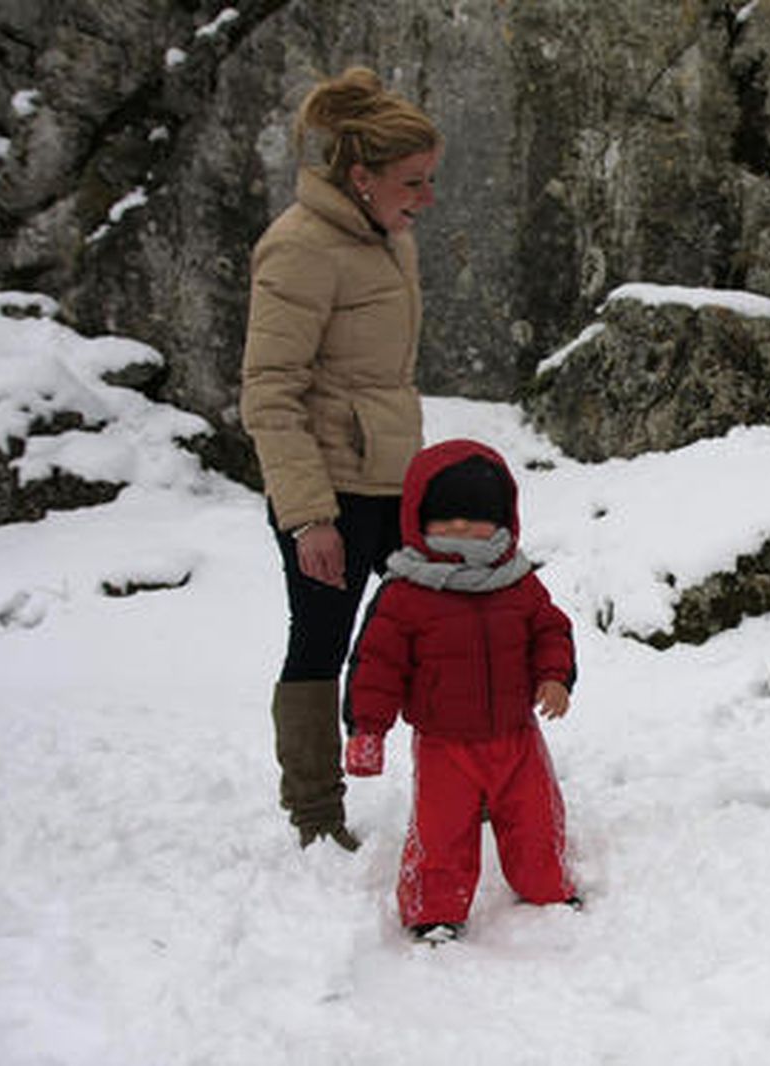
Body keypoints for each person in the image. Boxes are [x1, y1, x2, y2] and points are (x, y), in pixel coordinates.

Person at [239, 67, 443, 850]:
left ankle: (458, 777)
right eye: (412, 182)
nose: (425, 198)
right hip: (327, 491)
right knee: (320, 641)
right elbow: (270, 392)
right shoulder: (298, 249)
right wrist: (308, 518)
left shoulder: (387, 237)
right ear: (360, 178)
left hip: (395, 478)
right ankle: (318, 818)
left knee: (428, 623)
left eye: (430, 180)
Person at [344, 439, 580, 943]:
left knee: (535, 819)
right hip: (443, 745)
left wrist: (555, 676)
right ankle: (433, 910)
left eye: (474, 519)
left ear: (501, 520)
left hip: (517, 737)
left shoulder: (517, 581)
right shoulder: (405, 592)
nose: (459, 530)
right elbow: (376, 666)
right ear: (418, 520)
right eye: (444, 519)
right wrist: (368, 728)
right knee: (442, 830)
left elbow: (550, 632)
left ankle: (547, 888)